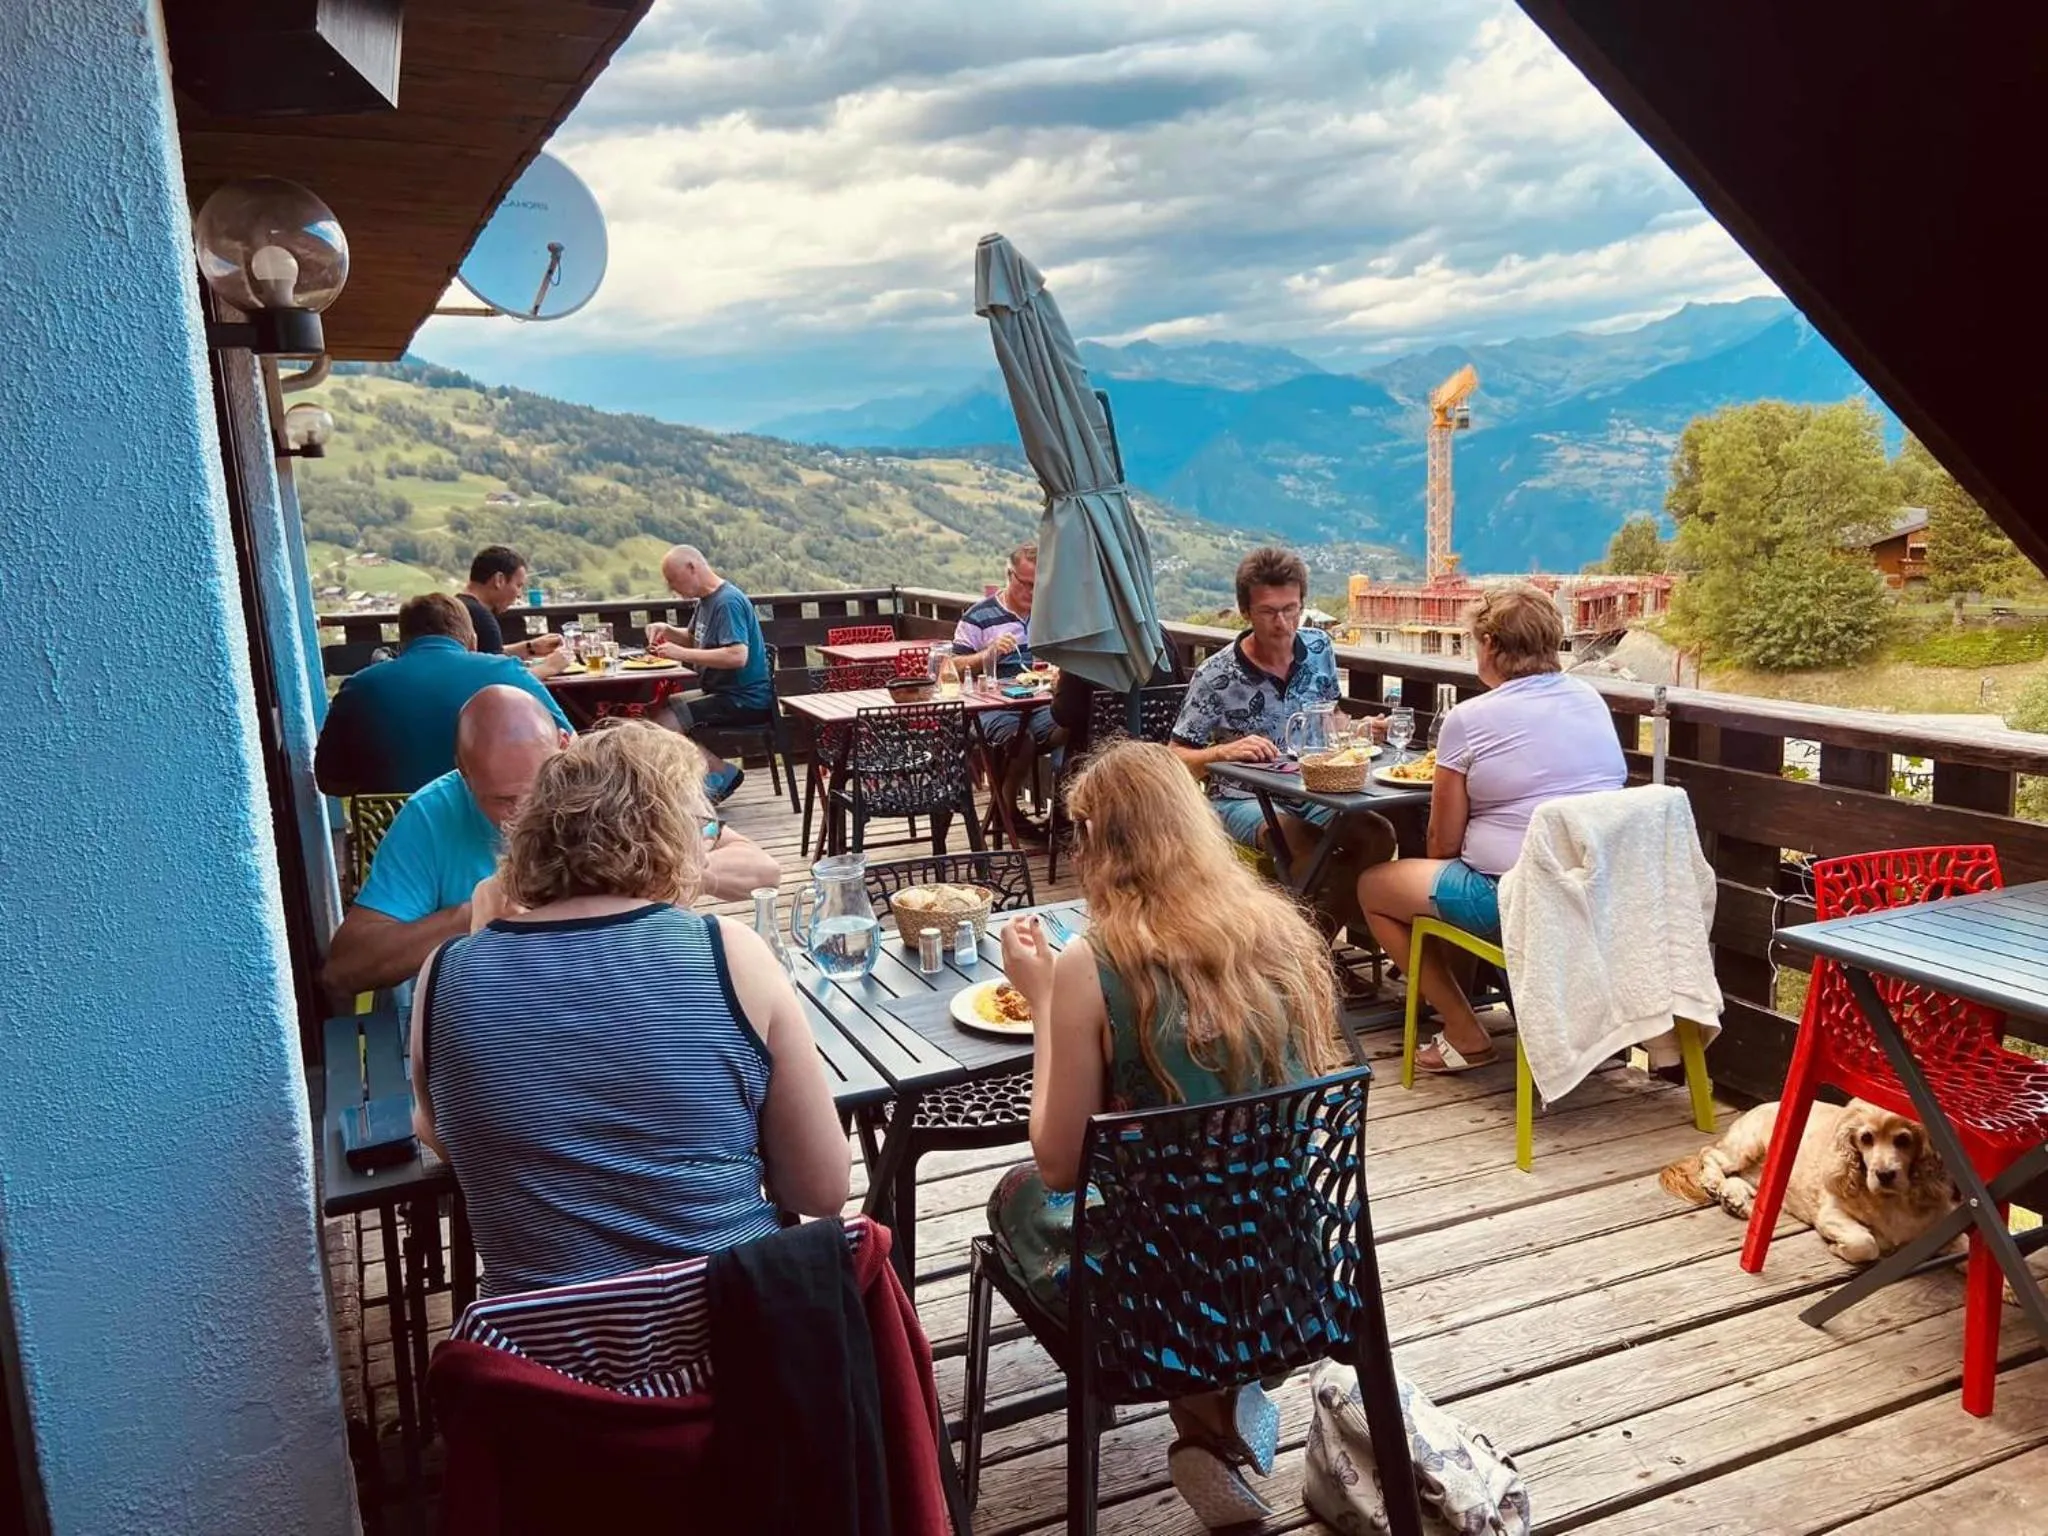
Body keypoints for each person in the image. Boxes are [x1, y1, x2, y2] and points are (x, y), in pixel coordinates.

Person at [987, 741, 1345, 1527]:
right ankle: (1222, 1410)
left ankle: (1207, 1421)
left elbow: (1056, 1164)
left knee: (1017, 1197)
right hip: (1292, 1261)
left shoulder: (1097, 960)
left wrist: (1044, 1000)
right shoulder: (1279, 931)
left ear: (1094, 843)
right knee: (1207, 1201)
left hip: (1159, 1290)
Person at [409, 723, 849, 1296]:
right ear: (667, 834)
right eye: (702, 829)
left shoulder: (443, 975)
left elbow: (446, 1133)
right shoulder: (728, 954)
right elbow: (819, 1190)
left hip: (538, 1360)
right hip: (733, 1340)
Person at [322, 688, 780, 997]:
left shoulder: (613, 785)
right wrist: (471, 915)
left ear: (565, 747)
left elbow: (763, 871)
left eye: (541, 787)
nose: (525, 814)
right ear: (463, 773)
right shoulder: (430, 815)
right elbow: (344, 970)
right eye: (502, 800)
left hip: (631, 1001)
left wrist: (658, 868)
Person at [1357, 584, 1626, 1073]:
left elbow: (1442, 841)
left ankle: (1462, 1027)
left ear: (1493, 646)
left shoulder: (1470, 718)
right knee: (1441, 890)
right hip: (1597, 897)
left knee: (1376, 886)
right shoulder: (1590, 700)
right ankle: (1469, 1007)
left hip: (1517, 901)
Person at [1168, 546, 1392, 938]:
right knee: (1299, 840)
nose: (1283, 622)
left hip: (1312, 788)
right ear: (1245, 613)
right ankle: (1306, 956)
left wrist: (1358, 729)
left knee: (1378, 835)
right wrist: (1223, 752)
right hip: (1239, 798)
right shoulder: (1216, 674)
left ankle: (1310, 951)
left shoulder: (1319, 648)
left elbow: (1329, 717)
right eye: (1269, 612)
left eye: (1291, 609)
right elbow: (1173, 758)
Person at [315, 593, 572, 796]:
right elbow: (569, 749)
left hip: (393, 842)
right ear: (472, 641)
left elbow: (330, 781)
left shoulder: (359, 686)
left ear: (402, 644)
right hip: (497, 843)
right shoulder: (508, 672)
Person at [645, 544, 772, 803]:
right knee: (657, 711)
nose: (672, 589)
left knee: (664, 724)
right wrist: (667, 630)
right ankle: (700, 777)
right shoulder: (707, 601)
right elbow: (695, 639)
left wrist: (680, 654)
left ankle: (720, 773)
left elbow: (737, 655)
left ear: (692, 567)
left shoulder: (727, 602)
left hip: (744, 698)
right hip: (721, 692)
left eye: (673, 580)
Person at [953, 543, 1054, 835]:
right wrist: (988, 655)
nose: (1033, 593)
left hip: (1040, 701)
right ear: (1009, 576)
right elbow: (951, 667)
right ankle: (1007, 812)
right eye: (1026, 584)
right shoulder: (979, 617)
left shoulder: (1050, 614)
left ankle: (1061, 815)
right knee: (1021, 739)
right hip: (991, 708)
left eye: (1039, 585)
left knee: (1075, 722)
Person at [459, 546, 563, 661]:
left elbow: (487, 655)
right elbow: (498, 674)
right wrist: (551, 667)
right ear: (499, 580)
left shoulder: (455, 608)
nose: (519, 594)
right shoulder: (481, 618)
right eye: (518, 585)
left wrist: (530, 647)